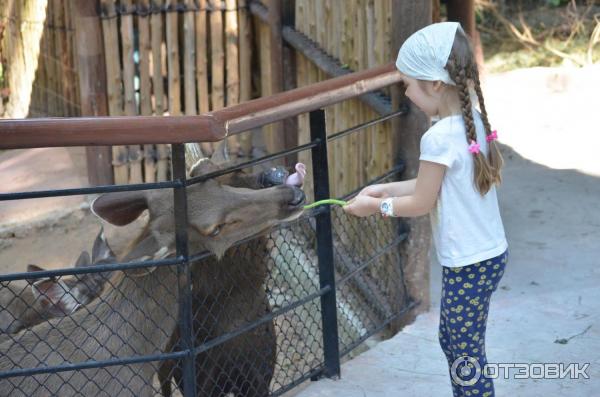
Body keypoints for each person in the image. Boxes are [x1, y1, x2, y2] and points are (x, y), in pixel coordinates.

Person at [343, 22, 508, 397]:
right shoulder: (471, 123)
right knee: (452, 341)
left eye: (409, 83)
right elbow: (433, 186)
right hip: (487, 255)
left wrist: (377, 207)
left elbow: (420, 202)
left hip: (469, 263)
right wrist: (383, 187)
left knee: (465, 355)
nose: (405, 90)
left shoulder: (438, 136)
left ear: (435, 84)